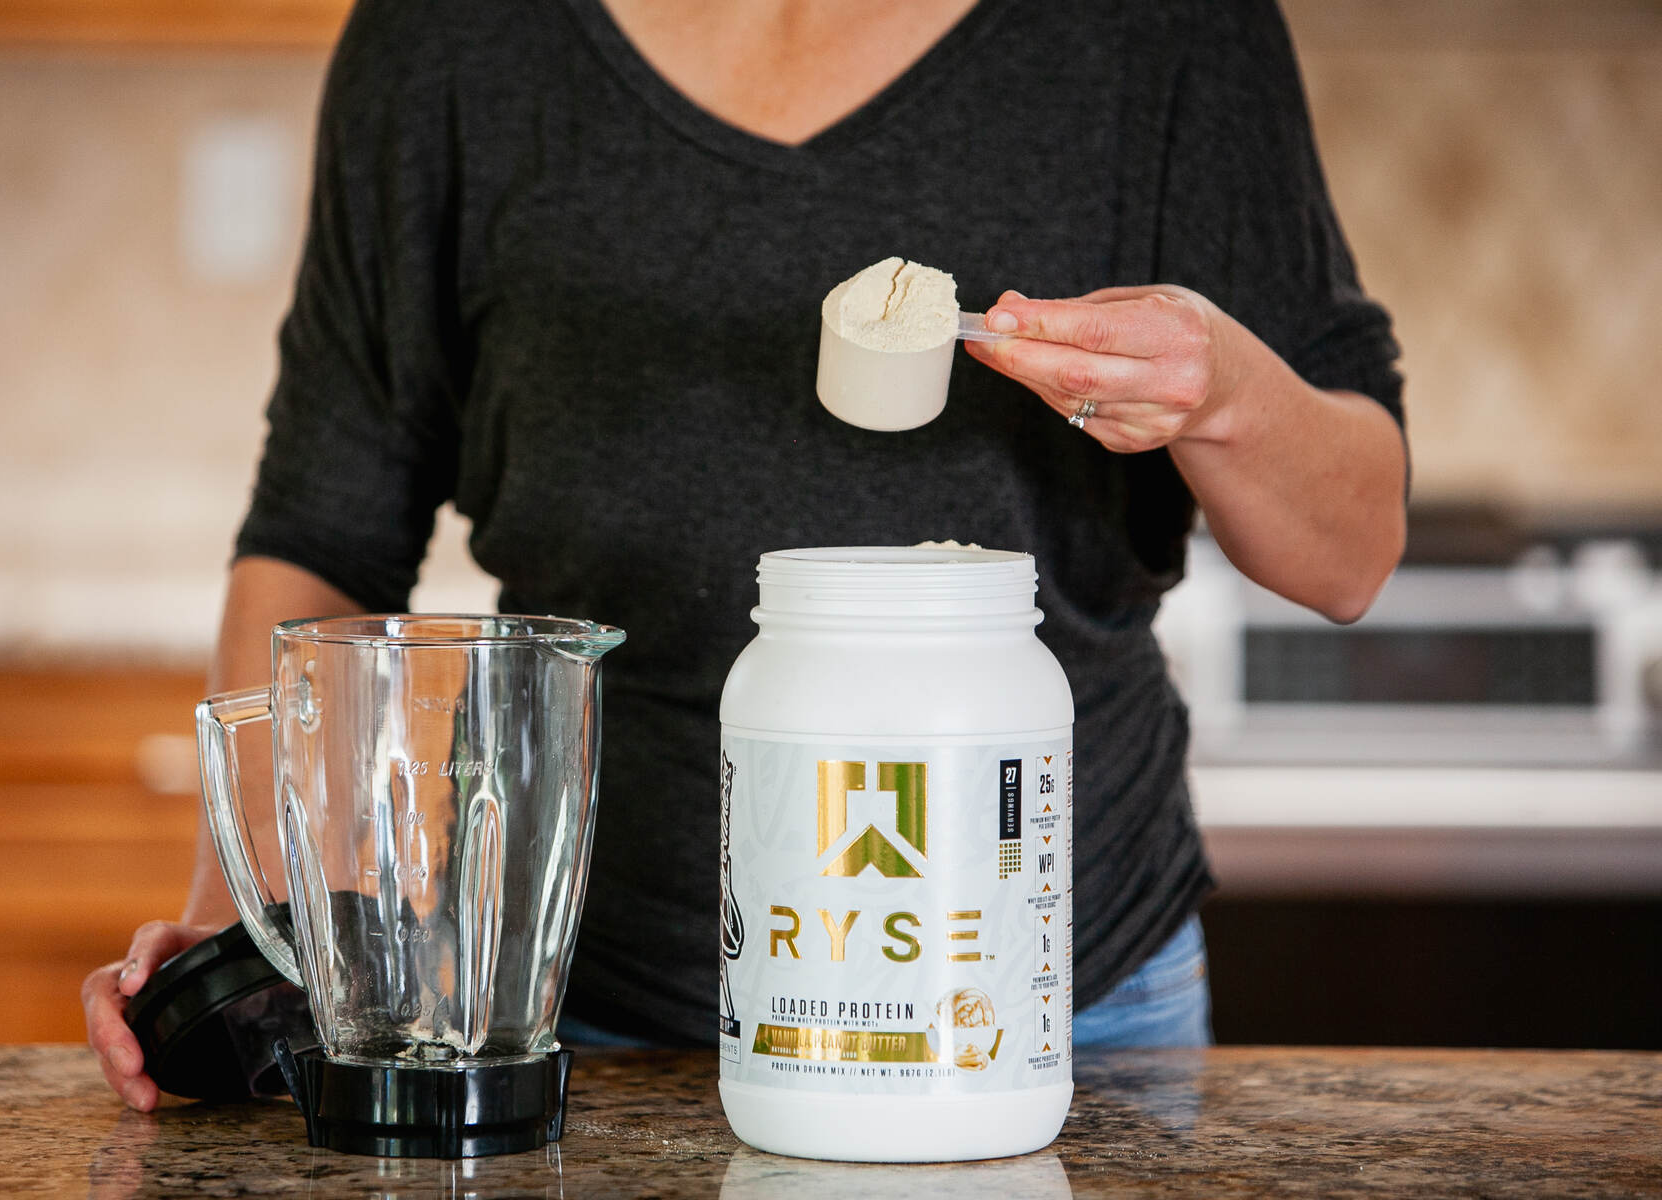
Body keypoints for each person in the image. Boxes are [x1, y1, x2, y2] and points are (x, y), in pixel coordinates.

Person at [84, 0, 1406, 1109]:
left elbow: (1350, 554)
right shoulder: (452, 39)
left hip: (1054, 998)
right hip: (582, 1013)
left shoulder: (1166, 30)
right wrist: (249, 914)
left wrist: (1226, 390)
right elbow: (320, 536)